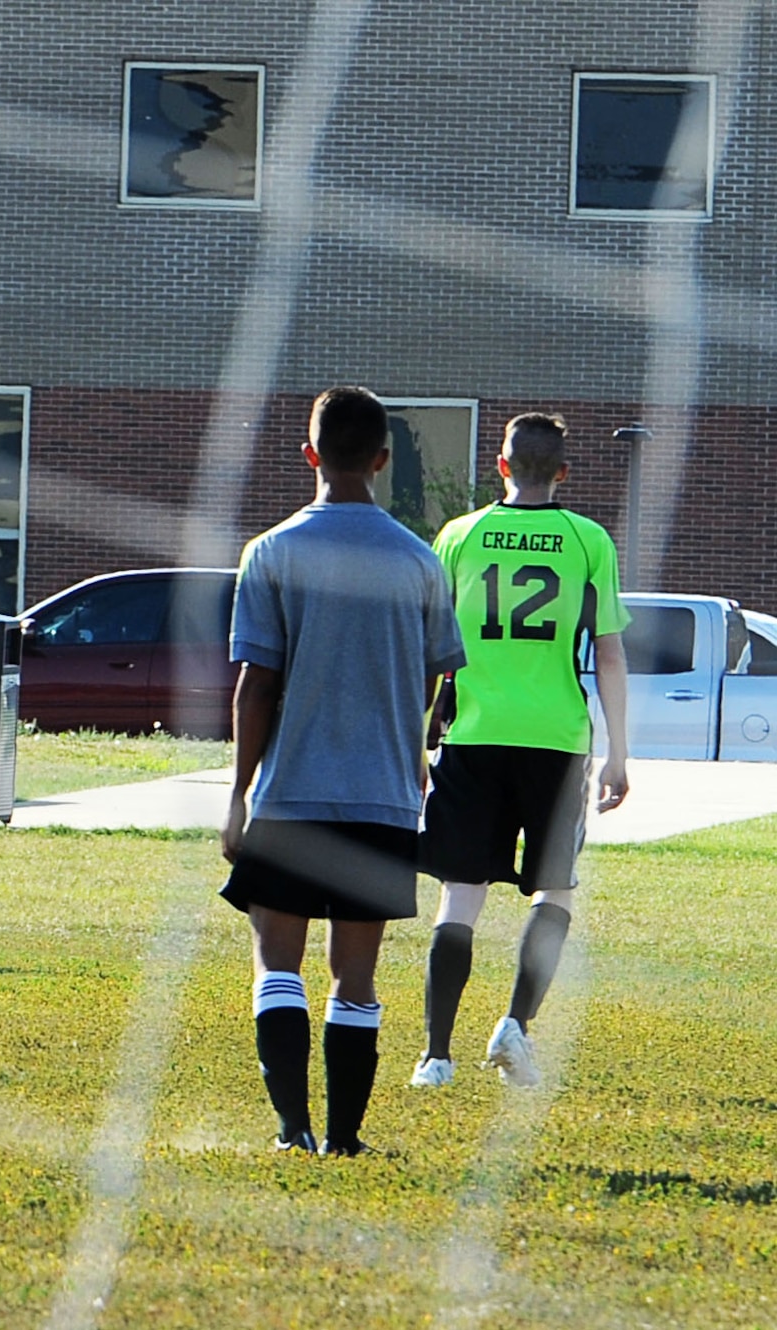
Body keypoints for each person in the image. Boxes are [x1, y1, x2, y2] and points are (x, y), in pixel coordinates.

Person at [221, 386, 466, 1157]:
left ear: (309, 454)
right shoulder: (421, 563)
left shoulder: (272, 551)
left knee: (277, 964)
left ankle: (292, 1129)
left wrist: (238, 793)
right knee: (354, 979)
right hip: (383, 800)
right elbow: (439, 682)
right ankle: (347, 1137)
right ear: (384, 460)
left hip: (291, 793)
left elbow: (256, 683)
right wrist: (413, 757)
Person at [410, 413, 630, 1090]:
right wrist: (619, 753)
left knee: (461, 897)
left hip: (474, 736)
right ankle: (514, 1026)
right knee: (556, 891)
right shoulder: (588, 539)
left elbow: (430, 649)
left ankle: (436, 1058)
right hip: (557, 740)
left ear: (500, 466)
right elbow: (610, 652)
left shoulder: (459, 535)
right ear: (562, 471)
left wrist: (418, 737)